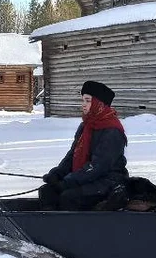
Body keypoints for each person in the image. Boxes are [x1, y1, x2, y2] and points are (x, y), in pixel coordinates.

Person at [39, 81, 129, 211]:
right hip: (88, 177)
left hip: (109, 181)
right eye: (83, 100)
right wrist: (57, 174)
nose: (83, 105)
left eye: (88, 100)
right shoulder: (86, 125)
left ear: (99, 103)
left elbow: (99, 166)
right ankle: (45, 227)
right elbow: (72, 155)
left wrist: (68, 181)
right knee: (47, 191)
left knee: (69, 197)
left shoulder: (112, 130)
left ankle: (71, 229)